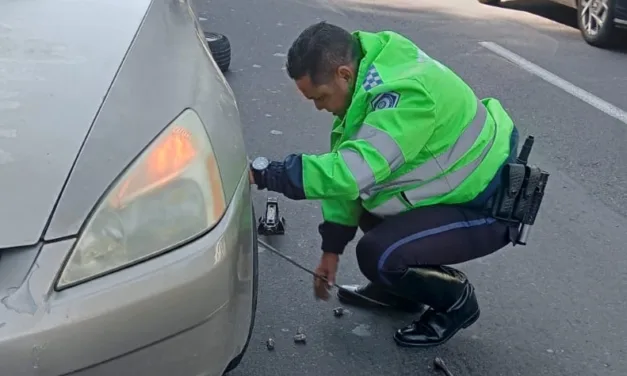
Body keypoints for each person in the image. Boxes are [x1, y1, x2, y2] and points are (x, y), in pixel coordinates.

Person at [248, 21, 522, 348]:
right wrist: (331, 252)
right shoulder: (371, 73)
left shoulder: (406, 97)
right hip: (456, 188)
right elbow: (350, 180)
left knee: (377, 254)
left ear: (344, 74)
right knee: (370, 203)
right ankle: (401, 293)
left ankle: (456, 300)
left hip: (489, 207)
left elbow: (351, 172)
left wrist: (267, 173)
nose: (319, 107)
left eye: (319, 97)